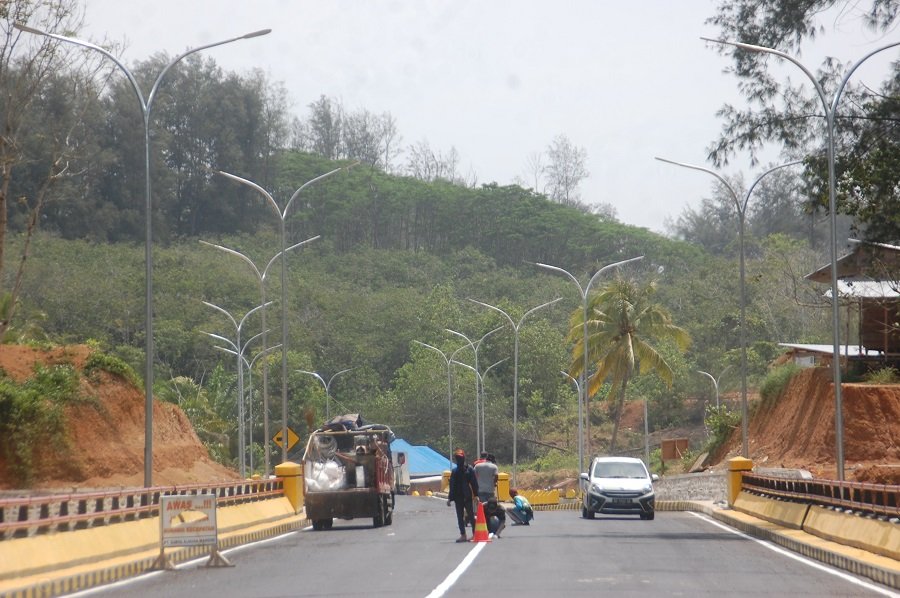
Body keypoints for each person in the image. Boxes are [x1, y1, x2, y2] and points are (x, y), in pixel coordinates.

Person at [446, 448, 479, 542]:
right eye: (457, 458)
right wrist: (450, 498)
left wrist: (476, 495)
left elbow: (474, 483)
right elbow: (452, 485)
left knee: (471, 515)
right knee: (460, 516)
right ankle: (463, 535)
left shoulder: (469, 469)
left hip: (467, 496)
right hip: (458, 497)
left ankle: (475, 534)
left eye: (460, 457)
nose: (459, 459)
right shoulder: (455, 471)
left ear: (463, 458)